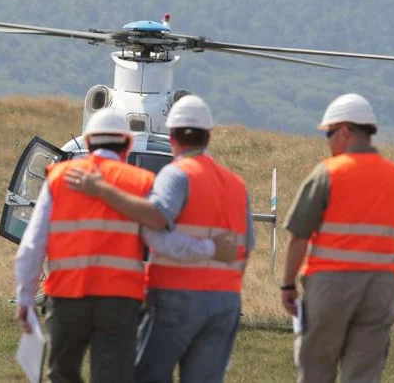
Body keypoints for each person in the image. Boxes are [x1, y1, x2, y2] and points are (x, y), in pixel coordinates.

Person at [15, 108, 238, 383]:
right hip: (119, 302)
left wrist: (25, 297)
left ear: (88, 141)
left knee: (62, 374)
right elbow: (163, 243)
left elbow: (32, 245)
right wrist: (210, 248)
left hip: (66, 297)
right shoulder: (141, 183)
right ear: (127, 145)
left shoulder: (59, 177)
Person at [65, 95, 254, 383]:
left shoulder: (177, 175)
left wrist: (103, 190)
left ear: (173, 136)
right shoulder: (237, 185)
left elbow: (155, 216)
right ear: (209, 136)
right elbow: (245, 249)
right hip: (225, 302)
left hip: (175, 295)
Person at [279, 93, 394, 383]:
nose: (329, 142)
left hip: (330, 287)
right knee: (364, 374)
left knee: (316, 369)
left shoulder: (328, 174)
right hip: (381, 289)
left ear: (345, 131)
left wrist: (287, 284)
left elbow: (299, 236)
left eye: (330, 134)